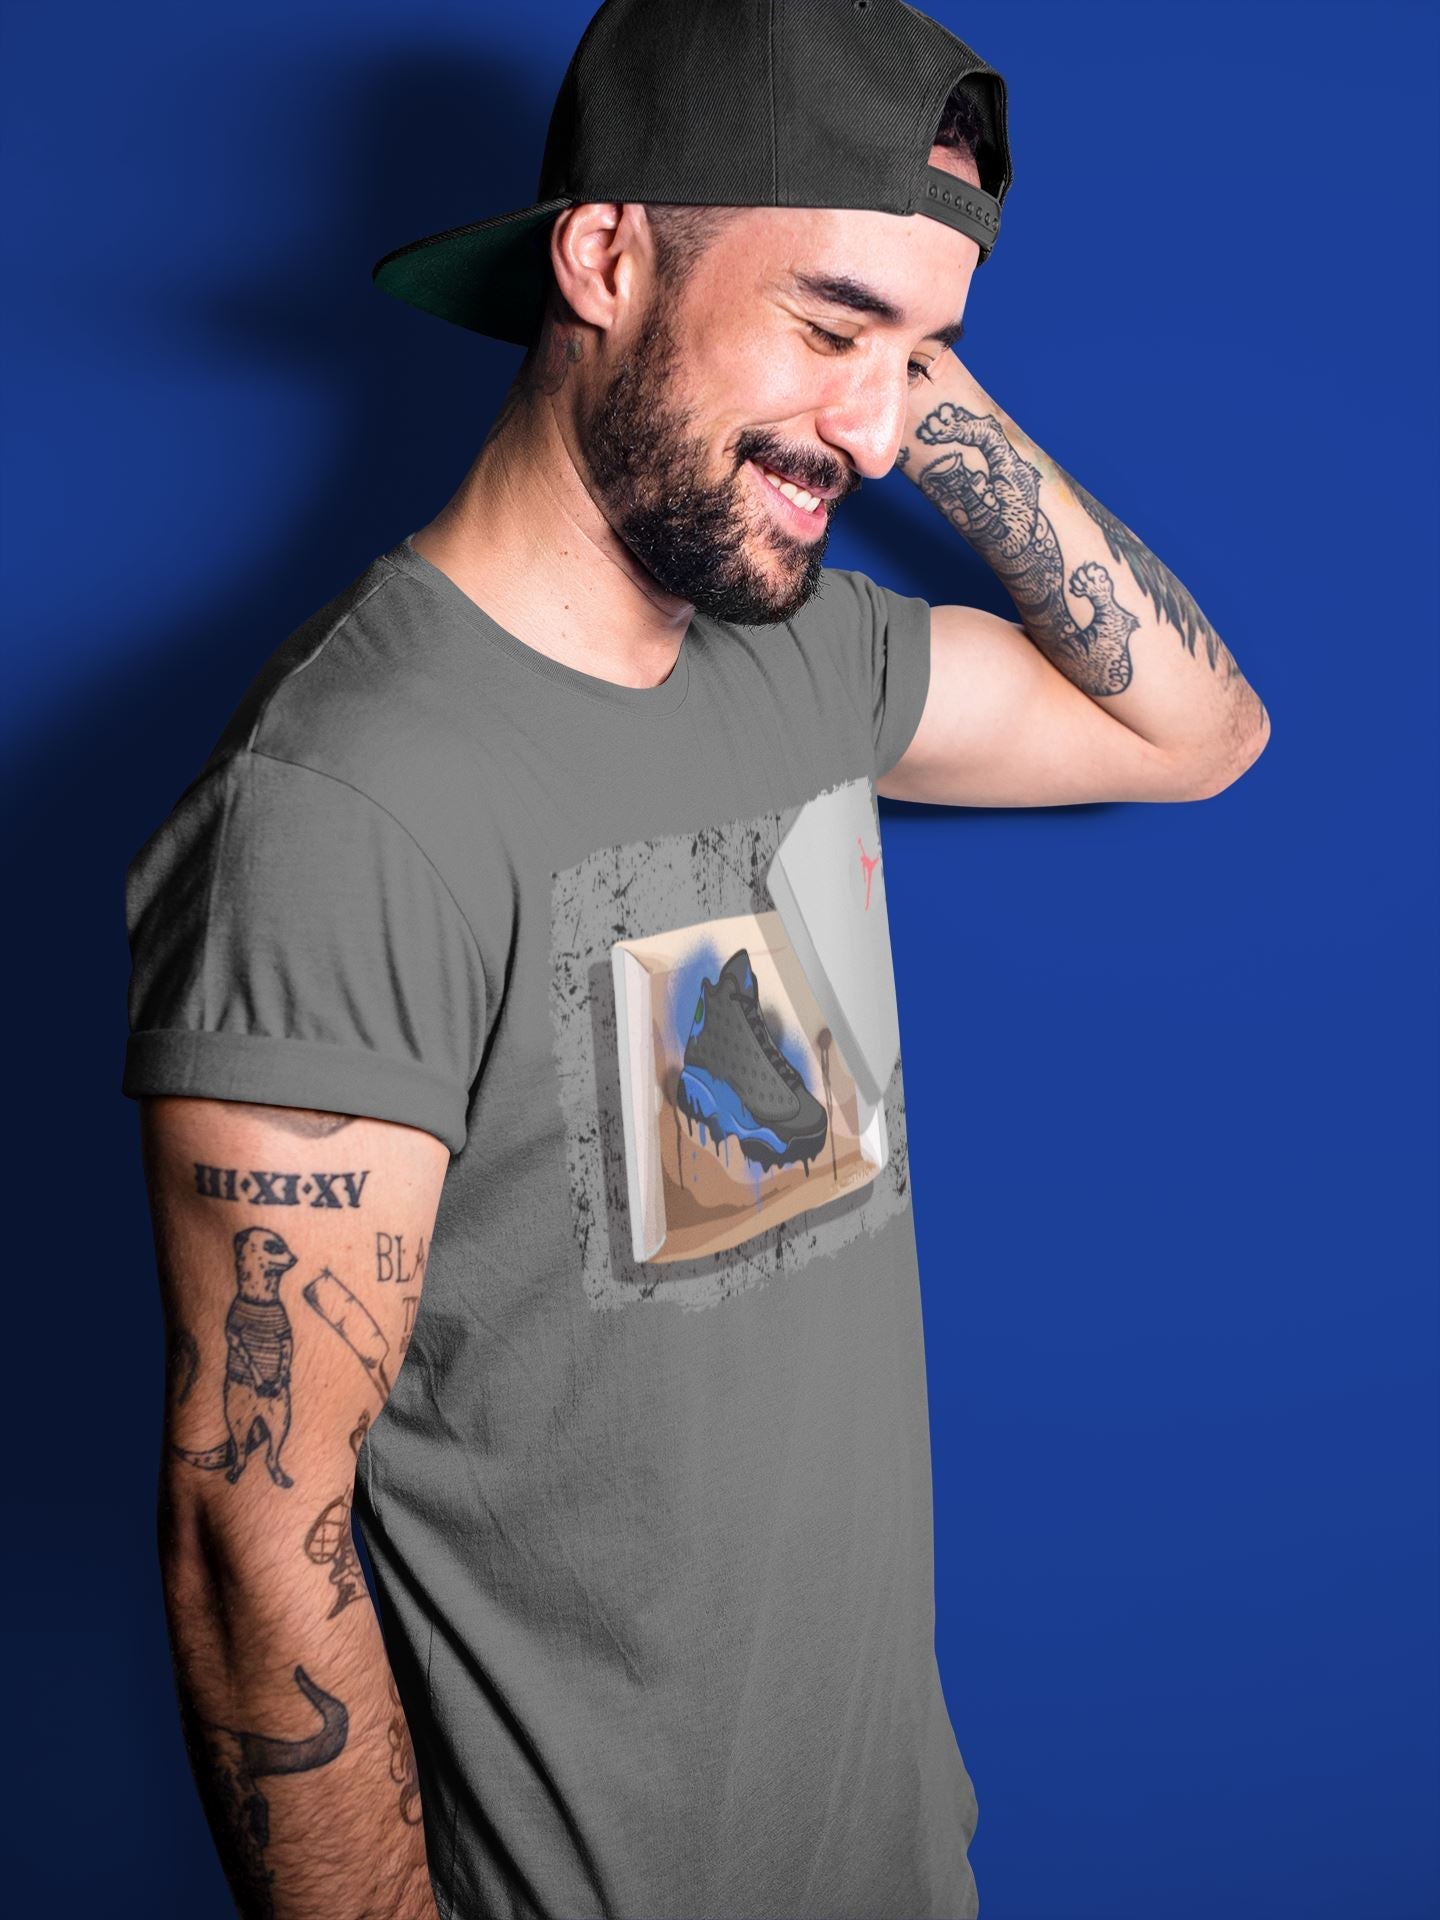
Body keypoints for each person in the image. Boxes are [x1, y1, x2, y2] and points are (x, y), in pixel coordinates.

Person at [122, 1, 1270, 1915]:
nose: (878, 434)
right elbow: (255, 1544)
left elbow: (1201, 734)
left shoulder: (803, 655)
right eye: (827, 326)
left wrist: (898, 368)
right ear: (602, 258)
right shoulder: (345, 805)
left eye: (923, 358)